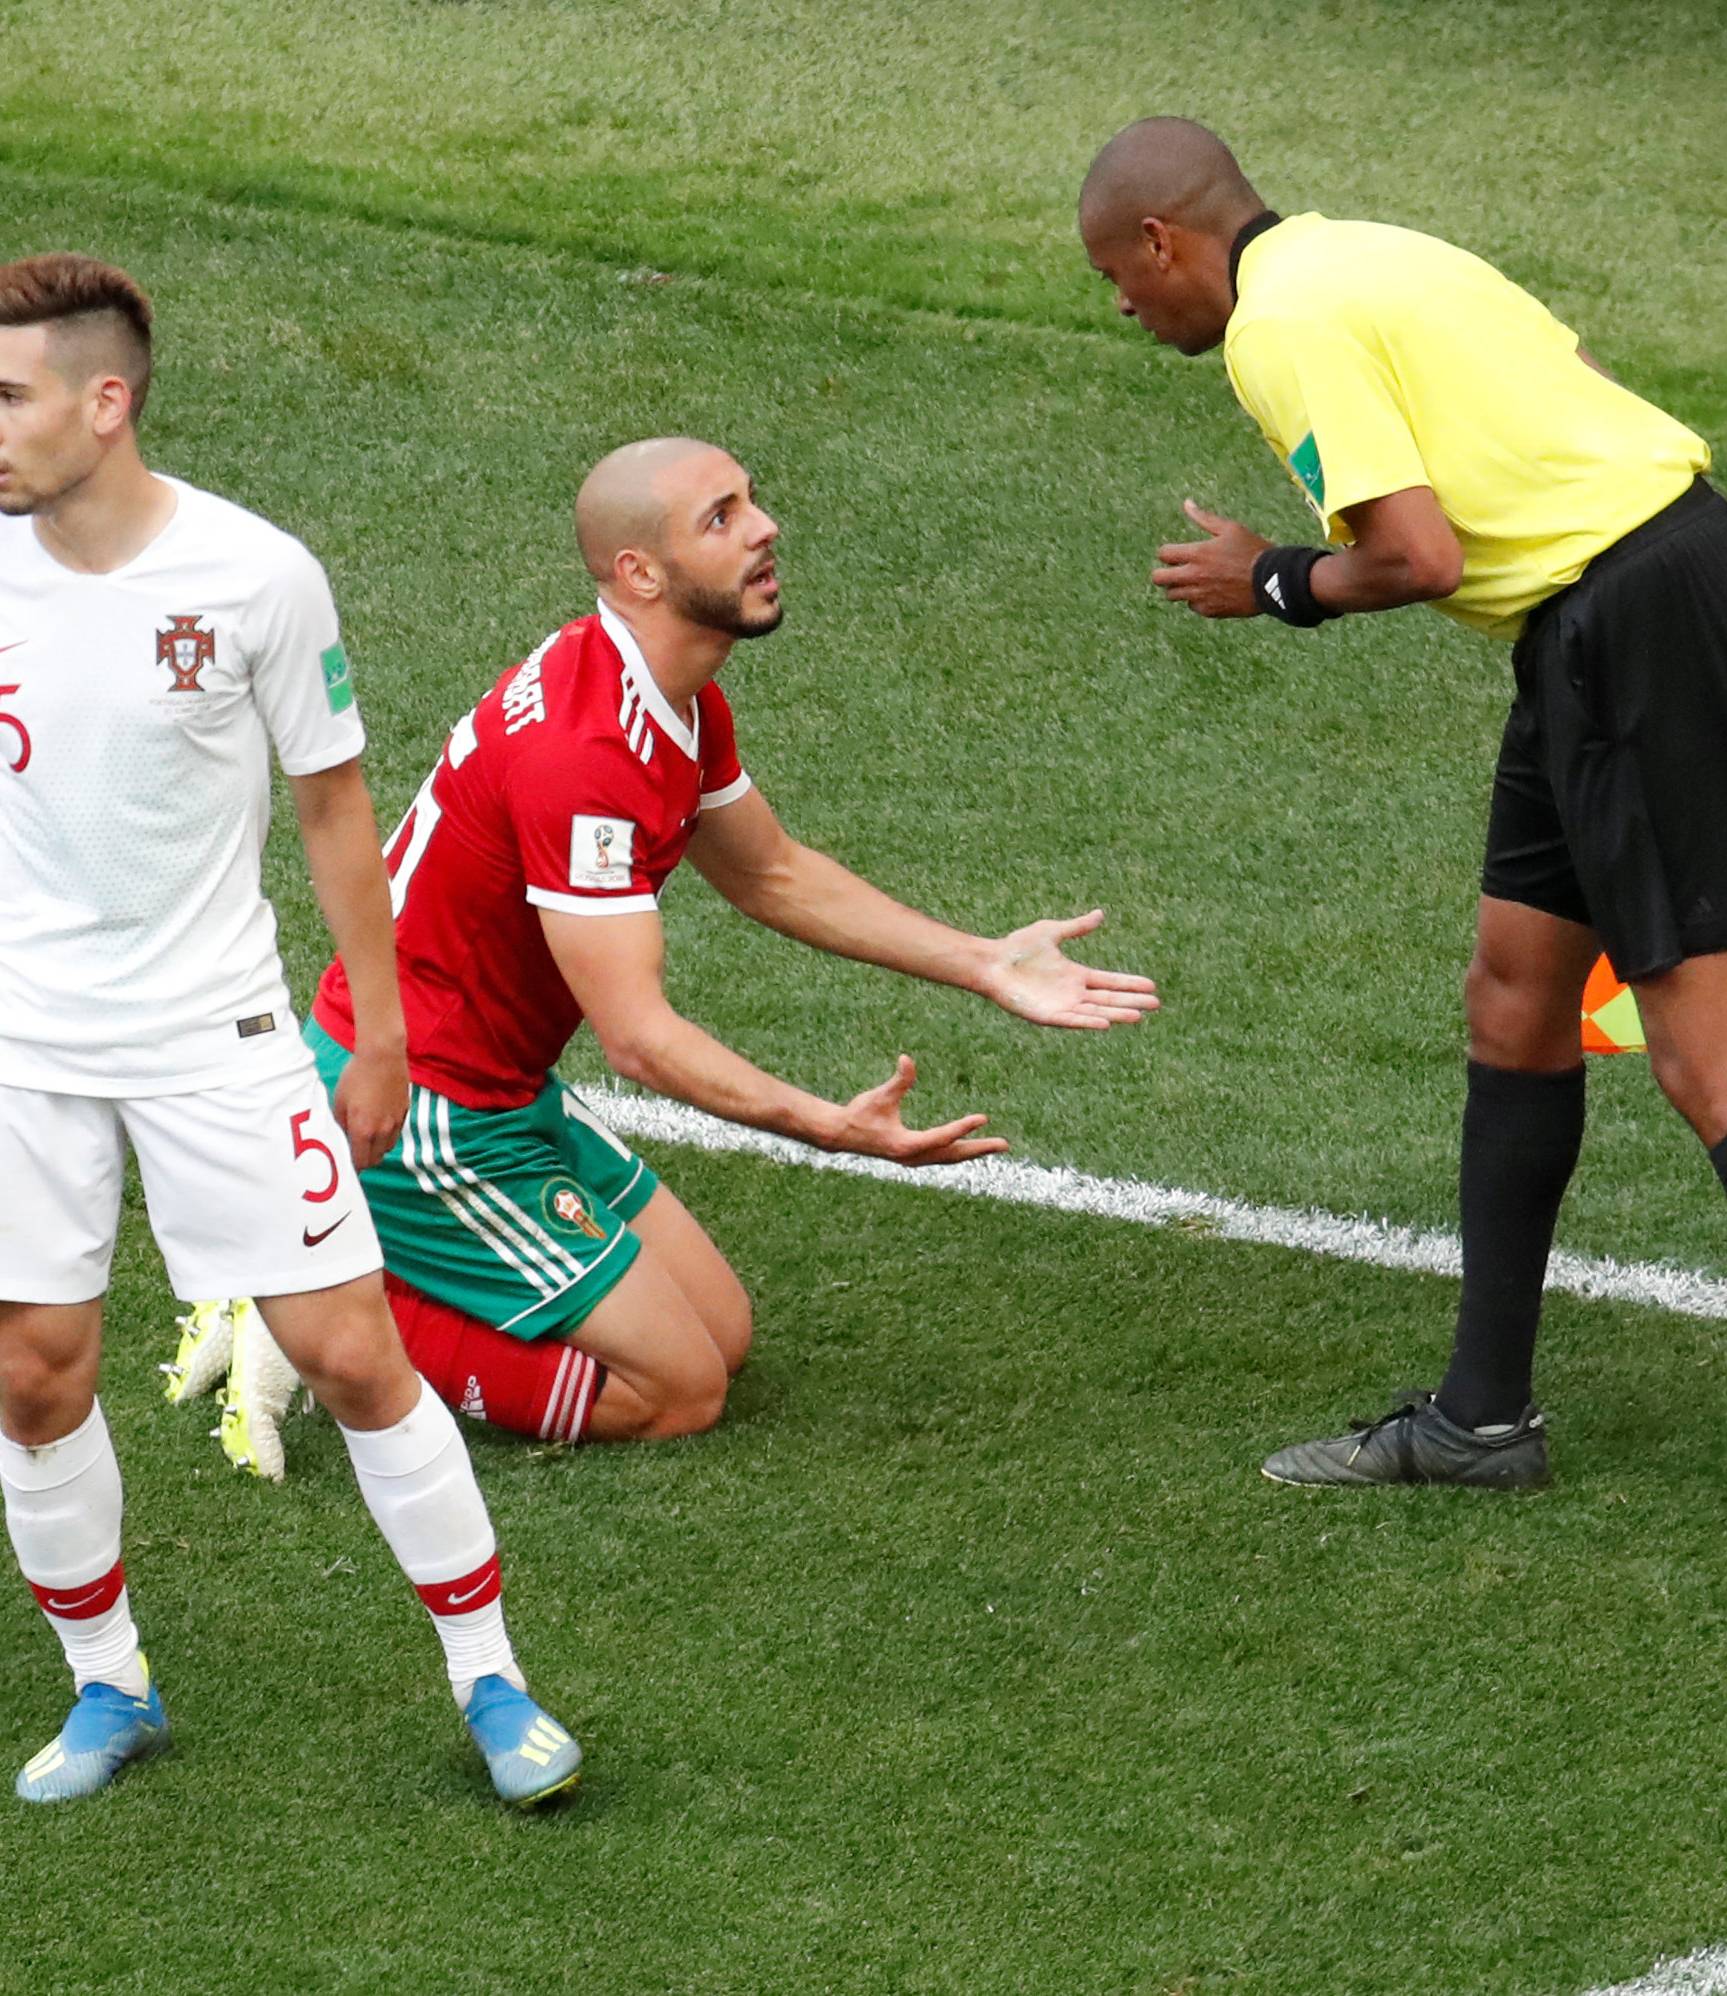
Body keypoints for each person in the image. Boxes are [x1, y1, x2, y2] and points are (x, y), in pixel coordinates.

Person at [1078, 118, 1727, 1575]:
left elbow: (1418, 555)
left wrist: (1270, 578)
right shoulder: (1370, 249)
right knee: (1516, 997)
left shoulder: (1278, 326)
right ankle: (1482, 1417)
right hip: (1628, 593)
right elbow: (1579, 380)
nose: (1124, 308)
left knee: (1710, 1063)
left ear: (1164, 241)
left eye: (1118, 278)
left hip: (1621, 623)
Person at [183, 434, 1157, 1468]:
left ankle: (335, 1268)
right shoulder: (586, 756)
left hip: (500, 1088)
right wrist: (826, 1125)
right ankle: (308, 1311)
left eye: (752, 501)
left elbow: (769, 872)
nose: (765, 527)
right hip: (422, 1113)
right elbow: (639, 1040)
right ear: (640, 572)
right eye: (722, 517)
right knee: (676, 1390)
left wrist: (984, 960)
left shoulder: (663, 693)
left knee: (722, 1333)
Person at [0, 254, 580, 1805]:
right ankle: (108, 1685)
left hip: (217, 1037)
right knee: (36, 1378)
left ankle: (493, 1684)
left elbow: (332, 803)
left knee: (347, 1354)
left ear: (103, 402)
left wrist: (376, 1033)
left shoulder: (255, 575)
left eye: (6, 396)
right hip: (23, 1049)